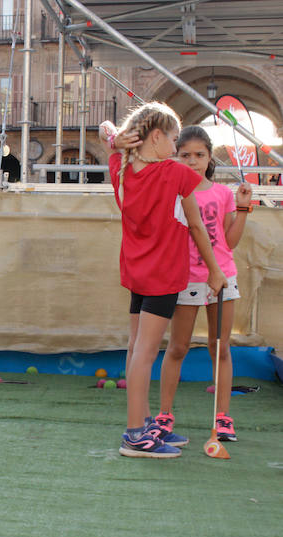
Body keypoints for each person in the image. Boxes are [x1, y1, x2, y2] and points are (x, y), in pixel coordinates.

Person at [99, 102, 226, 459]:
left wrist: (114, 139)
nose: (177, 148)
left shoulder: (119, 167)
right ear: (155, 137)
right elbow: (197, 222)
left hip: (137, 273)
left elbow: (106, 129)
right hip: (163, 275)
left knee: (135, 349)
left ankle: (140, 425)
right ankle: (135, 434)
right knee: (144, 354)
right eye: (173, 138)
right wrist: (216, 270)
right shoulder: (174, 173)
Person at [158, 126, 252, 442]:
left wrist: (242, 208)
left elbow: (229, 242)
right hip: (186, 279)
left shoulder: (223, 194)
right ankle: (164, 416)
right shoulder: (173, 193)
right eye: (186, 155)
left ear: (210, 157)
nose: (193, 161)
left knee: (220, 347)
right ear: (176, 156)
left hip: (223, 277)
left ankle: (223, 417)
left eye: (199, 155)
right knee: (178, 347)